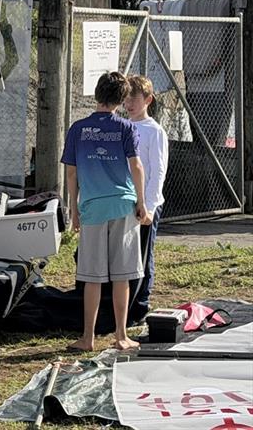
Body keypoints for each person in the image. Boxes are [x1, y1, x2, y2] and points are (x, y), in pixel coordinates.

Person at [61, 71, 152, 352]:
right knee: (122, 275)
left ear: (96, 94)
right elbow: (136, 167)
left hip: (92, 207)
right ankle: (120, 335)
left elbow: (72, 173)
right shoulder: (126, 128)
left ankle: (87, 337)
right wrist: (141, 202)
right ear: (122, 99)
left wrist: (74, 211)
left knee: (91, 276)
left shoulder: (78, 129)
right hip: (122, 204)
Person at [124, 75, 169, 315]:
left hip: (148, 203)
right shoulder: (124, 126)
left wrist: (149, 207)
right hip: (127, 201)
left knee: (144, 255)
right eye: (126, 98)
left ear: (148, 100)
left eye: (135, 98)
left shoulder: (155, 131)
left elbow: (158, 170)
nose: (129, 103)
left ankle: (141, 305)